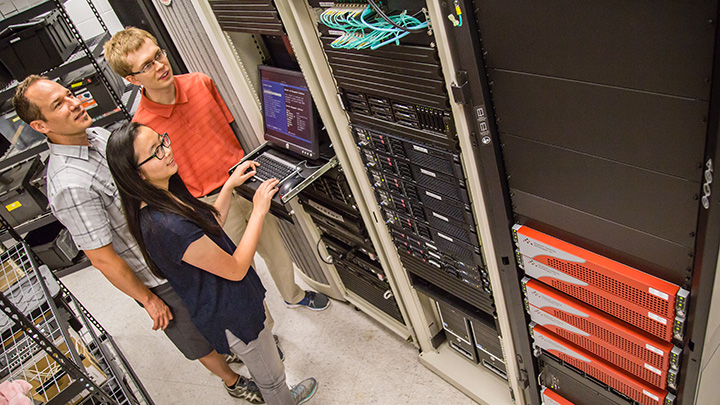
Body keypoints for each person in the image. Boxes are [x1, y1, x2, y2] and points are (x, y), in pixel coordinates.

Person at [12, 76, 265, 402]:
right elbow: (101, 257)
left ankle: (234, 349)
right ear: (40, 124)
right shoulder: (69, 184)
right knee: (192, 335)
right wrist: (148, 298)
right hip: (156, 275)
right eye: (58, 104)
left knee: (213, 312)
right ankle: (233, 382)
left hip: (177, 247)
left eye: (69, 94)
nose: (74, 102)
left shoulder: (98, 136)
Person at [103, 27, 330, 312]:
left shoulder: (201, 83)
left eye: (158, 55)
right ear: (132, 79)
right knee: (238, 273)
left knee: (275, 247)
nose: (160, 65)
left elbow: (227, 130)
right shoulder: (143, 128)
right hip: (209, 202)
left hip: (245, 181)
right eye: (147, 65)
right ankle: (263, 329)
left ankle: (293, 295)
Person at [106, 122, 317, 405]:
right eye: (155, 151)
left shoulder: (164, 196)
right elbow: (236, 267)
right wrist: (258, 209)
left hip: (229, 303)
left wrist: (229, 186)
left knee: (270, 373)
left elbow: (210, 225)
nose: (167, 151)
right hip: (232, 313)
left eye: (162, 141)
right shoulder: (165, 225)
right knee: (272, 379)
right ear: (138, 174)